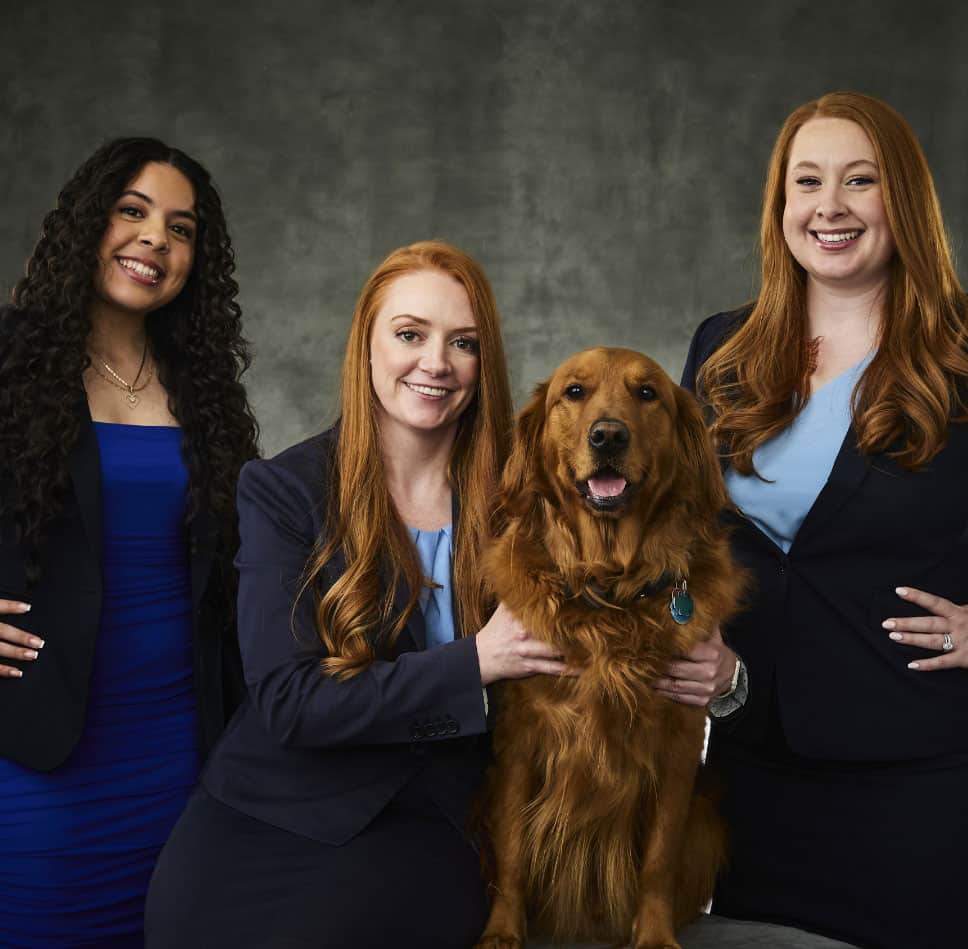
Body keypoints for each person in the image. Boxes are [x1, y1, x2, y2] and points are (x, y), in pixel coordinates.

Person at [145, 240, 573, 948]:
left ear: (483, 362)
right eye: (411, 334)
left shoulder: (524, 499)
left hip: (433, 827)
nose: (435, 362)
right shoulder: (285, 490)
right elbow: (290, 700)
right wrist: (474, 662)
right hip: (267, 820)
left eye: (462, 342)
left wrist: (718, 669)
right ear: (367, 347)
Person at [660, 92, 968, 949]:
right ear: (781, 205)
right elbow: (678, 540)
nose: (829, 205)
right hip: (755, 775)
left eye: (859, 180)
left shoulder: (963, 356)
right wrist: (684, 635)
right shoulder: (722, 351)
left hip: (921, 783)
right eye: (808, 181)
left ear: (900, 198)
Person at [0, 137, 259, 948]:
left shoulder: (205, 388)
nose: (155, 239)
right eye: (133, 211)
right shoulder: (11, 359)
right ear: (89, 222)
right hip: (39, 754)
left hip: (182, 759)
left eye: (181, 229)